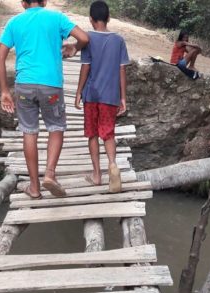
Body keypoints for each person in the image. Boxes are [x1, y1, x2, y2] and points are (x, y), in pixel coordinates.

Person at [0, 0, 89, 199]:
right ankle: (50, 174)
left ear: (22, 3)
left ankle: (34, 188)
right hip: (51, 85)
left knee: (29, 132)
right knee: (55, 127)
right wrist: (74, 48)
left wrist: (4, 91)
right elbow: (84, 37)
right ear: (45, 1)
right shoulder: (56, 18)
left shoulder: (14, 22)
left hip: (24, 86)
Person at [74, 0, 129, 193]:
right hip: (110, 96)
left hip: (92, 95)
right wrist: (123, 97)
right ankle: (113, 165)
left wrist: (78, 92)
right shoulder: (119, 40)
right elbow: (122, 70)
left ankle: (97, 175)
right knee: (108, 133)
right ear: (108, 18)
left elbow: (85, 67)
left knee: (92, 134)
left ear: (90, 19)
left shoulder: (88, 39)